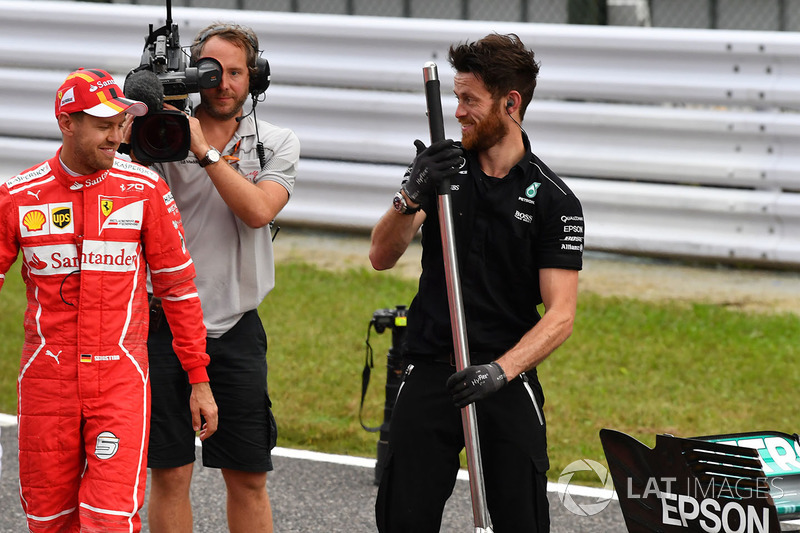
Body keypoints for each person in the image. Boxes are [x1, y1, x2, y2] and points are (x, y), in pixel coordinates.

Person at [370, 33, 585, 532]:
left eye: (470, 99)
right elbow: (381, 255)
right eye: (456, 97)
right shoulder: (442, 171)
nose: (459, 111)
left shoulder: (555, 201)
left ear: (510, 103)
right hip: (428, 369)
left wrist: (500, 372)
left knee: (522, 522)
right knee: (402, 520)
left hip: (503, 378)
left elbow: (561, 315)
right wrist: (410, 193)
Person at [0, 68, 217, 533]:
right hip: (46, 385)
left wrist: (198, 379)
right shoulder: (19, 195)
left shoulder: (145, 189)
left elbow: (178, 289)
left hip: (119, 381)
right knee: (48, 522)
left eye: (121, 123)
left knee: (110, 522)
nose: (117, 136)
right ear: (66, 122)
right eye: (103, 124)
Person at [143, 23, 300, 533]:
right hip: (162, 325)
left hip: (236, 329)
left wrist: (205, 153)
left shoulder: (277, 142)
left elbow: (257, 211)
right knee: (170, 475)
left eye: (236, 72)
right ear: (192, 74)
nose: (224, 84)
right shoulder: (160, 137)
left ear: (256, 79)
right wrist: (146, 107)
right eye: (211, 72)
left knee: (249, 476)